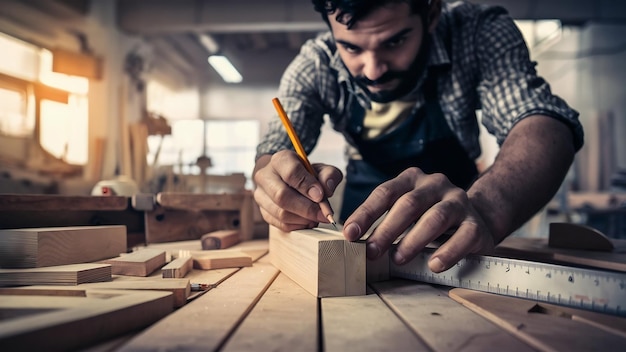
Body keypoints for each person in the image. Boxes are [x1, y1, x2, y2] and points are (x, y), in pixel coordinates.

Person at [253, 0, 583, 273]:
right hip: (361, 227)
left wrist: (484, 210)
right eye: (351, 48)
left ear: (432, 13)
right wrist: (276, 179)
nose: (372, 70)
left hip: (462, 223)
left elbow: (543, 124)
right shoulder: (315, 65)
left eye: (394, 42)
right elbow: (273, 153)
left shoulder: (476, 31)